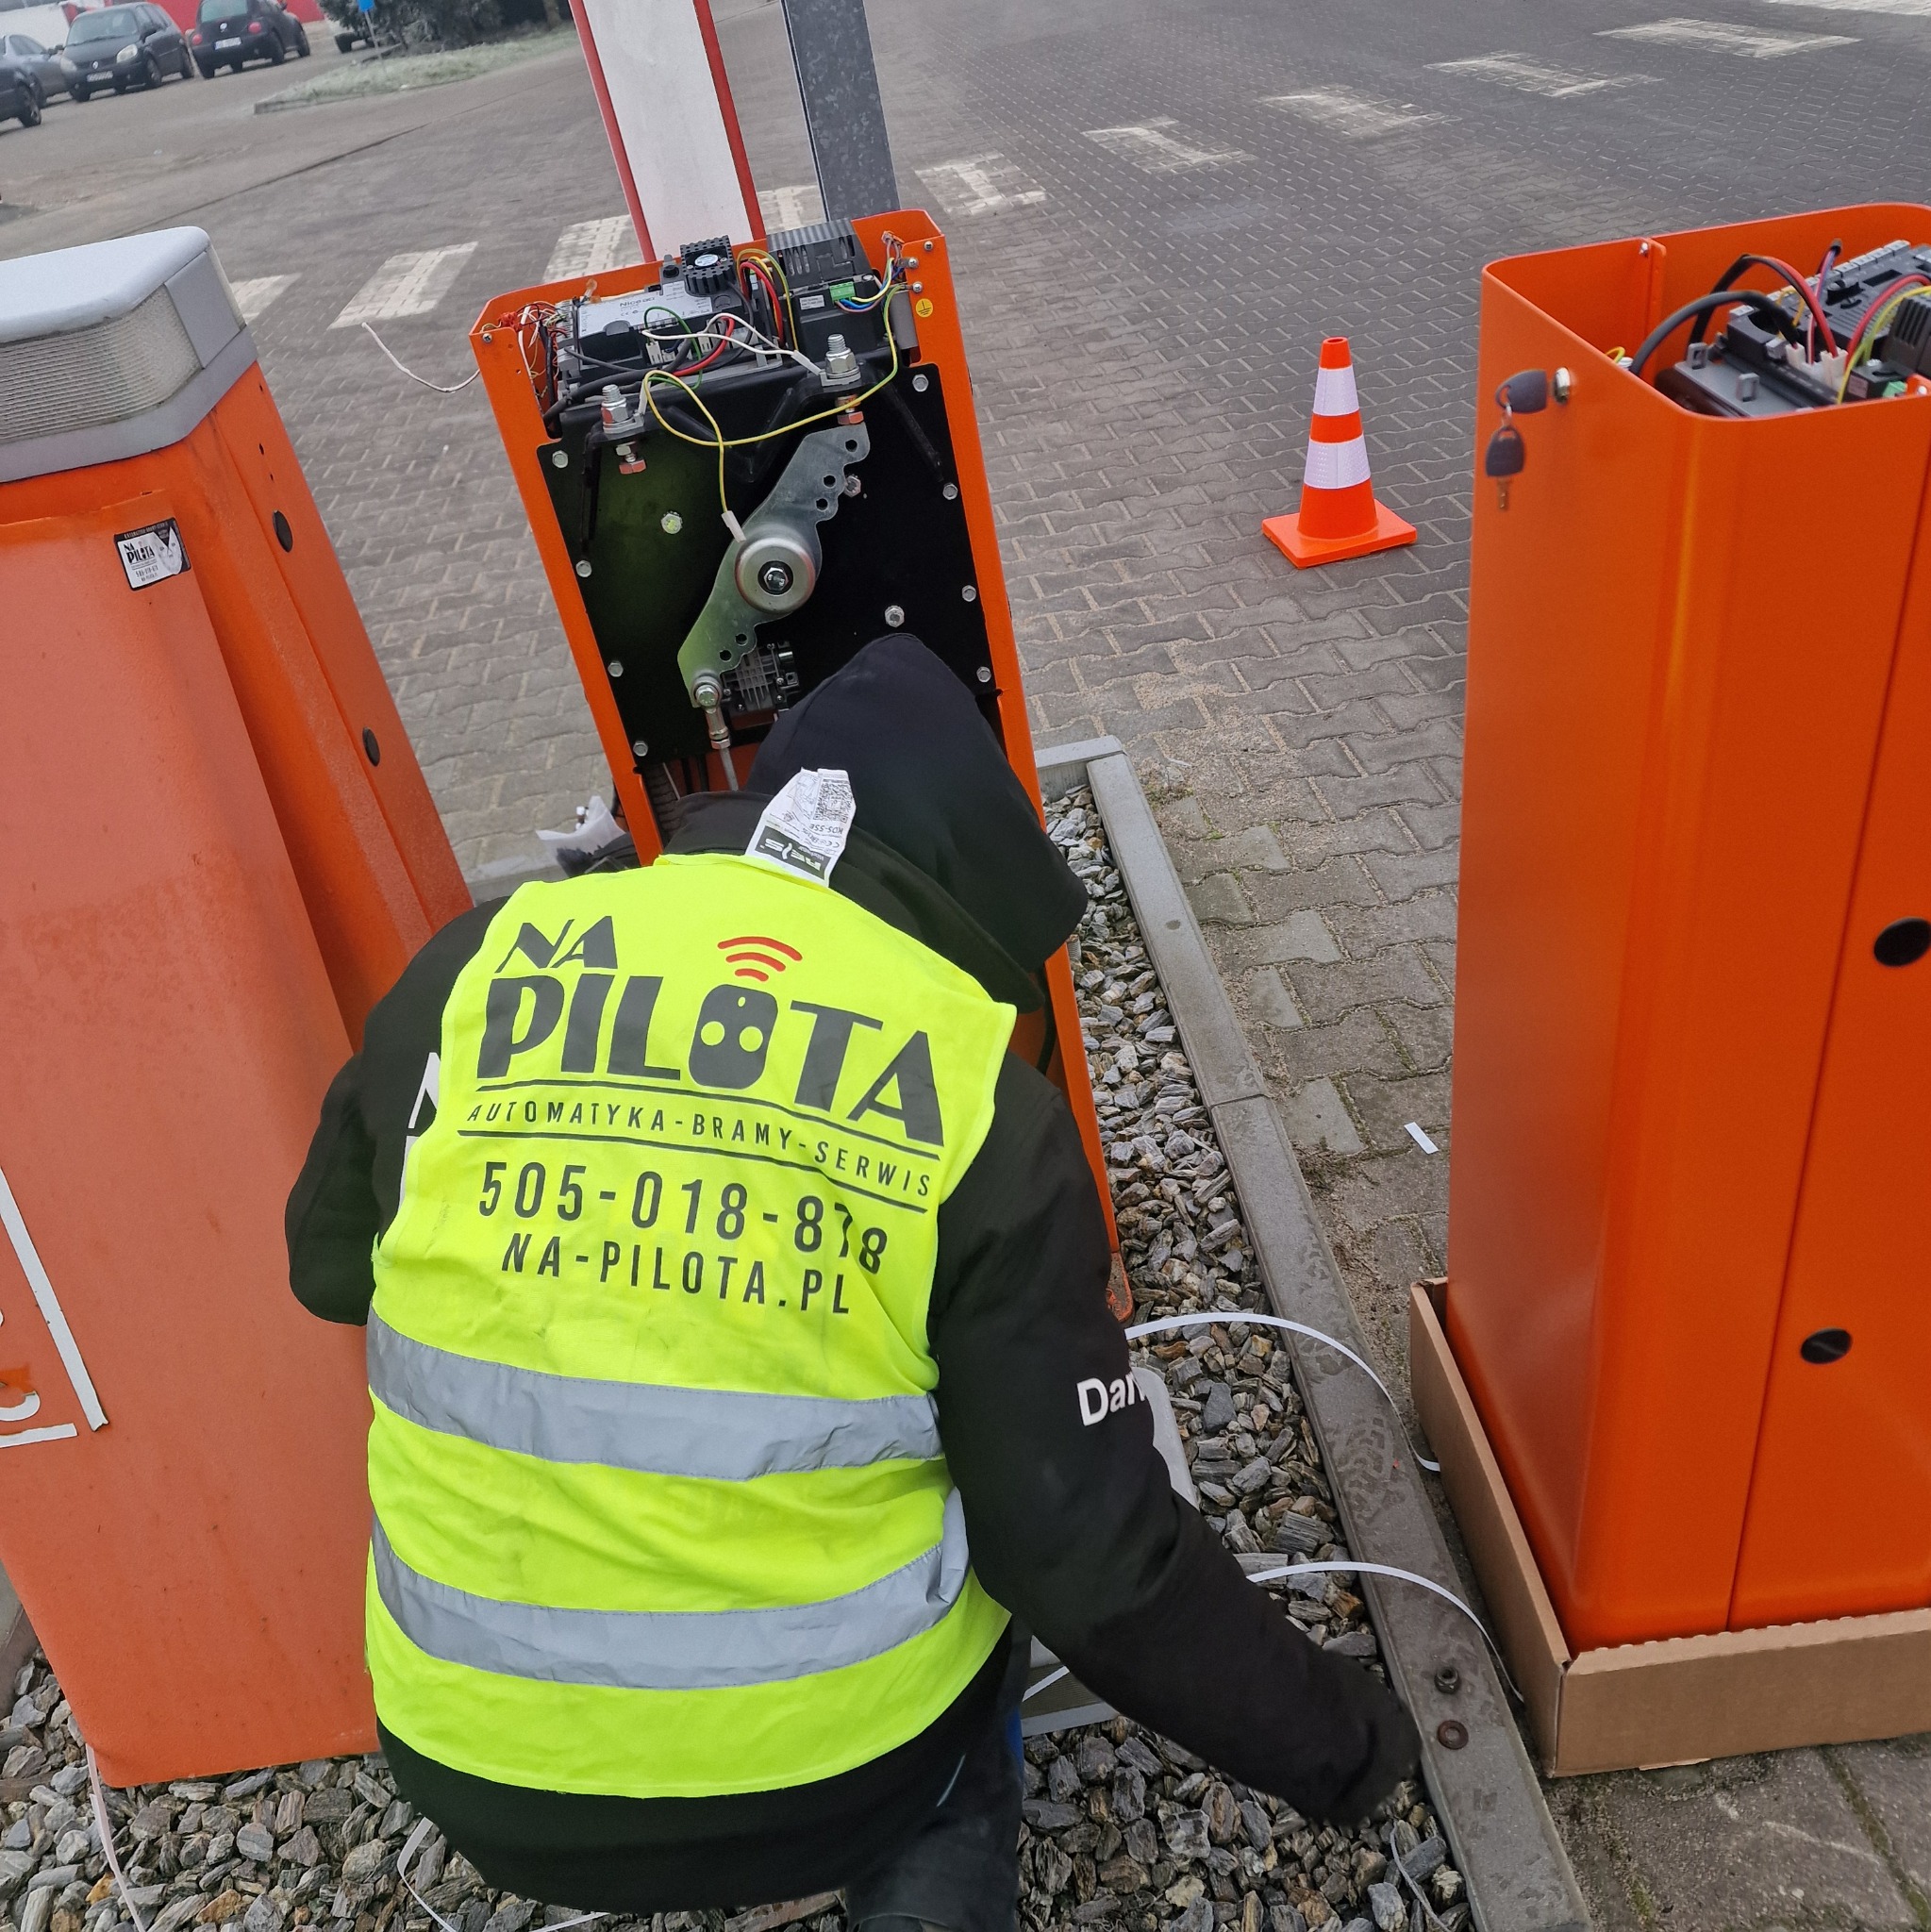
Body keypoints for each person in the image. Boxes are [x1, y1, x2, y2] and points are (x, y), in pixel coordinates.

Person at [286, 635, 1419, 1932]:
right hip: (834, 1781)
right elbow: (1090, 1565)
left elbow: (327, 1270)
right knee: (988, 1573)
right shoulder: (968, 1090)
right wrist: (1350, 1748)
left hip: (470, 1762)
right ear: (961, 911)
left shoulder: (480, 964)